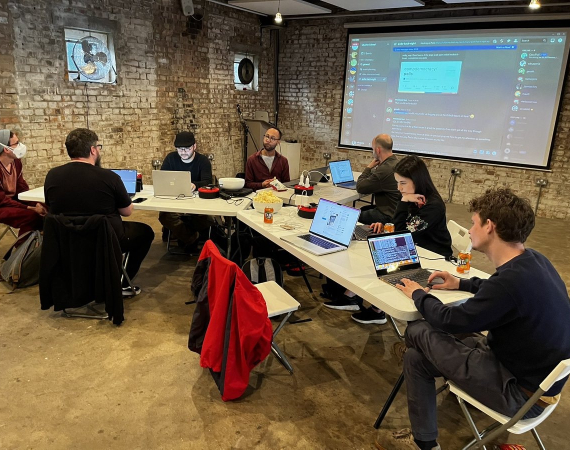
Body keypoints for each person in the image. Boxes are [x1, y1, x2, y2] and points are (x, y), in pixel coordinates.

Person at [376, 188, 570, 450]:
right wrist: (461, 282)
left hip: (519, 395)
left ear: (490, 227)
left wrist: (419, 294)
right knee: (415, 357)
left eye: (474, 222)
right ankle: (426, 443)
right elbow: (498, 289)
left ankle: (425, 437)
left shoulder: (511, 282)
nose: (469, 230)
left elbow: (448, 319)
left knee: (418, 330)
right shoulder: (535, 260)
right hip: (535, 383)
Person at [324, 155, 452, 326]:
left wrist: (404, 201)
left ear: (417, 180)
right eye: (397, 183)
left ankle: (368, 305)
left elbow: (402, 234)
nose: (399, 188)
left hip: (432, 255)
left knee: (381, 259)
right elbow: (401, 228)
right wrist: (386, 224)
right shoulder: (415, 197)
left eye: (403, 183)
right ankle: (357, 299)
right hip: (414, 248)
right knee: (371, 254)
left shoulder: (432, 205)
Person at [44, 128, 155, 296]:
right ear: (93, 150)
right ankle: (122, 283)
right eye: (99, 147)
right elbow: (126, 212)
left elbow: (52, 207)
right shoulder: (109, 177)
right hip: (105, 237)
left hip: (68, 238)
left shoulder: (52, 175)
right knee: (146, 232)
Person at [158, 131, 213, 251]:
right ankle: (191, 238)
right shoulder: (171, 158)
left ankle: (183, 236)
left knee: (207, 220)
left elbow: (208, 182)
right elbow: (162, 178)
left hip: (197, 204)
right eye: (180, 149)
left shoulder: (203, 161)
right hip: (174, 201)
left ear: (194, 146)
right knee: (164, 216)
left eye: (187, 149)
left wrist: (194, 185)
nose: (183, 152)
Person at [0, 129, 46, 236]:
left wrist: (33, 202)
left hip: (13, 201)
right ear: (6, 149)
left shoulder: (16, 162)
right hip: (2, 205)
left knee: (47, 207)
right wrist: (30, 208)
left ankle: (40, 242)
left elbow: (21, 188)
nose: (20, 145)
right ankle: (23, 248)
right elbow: (2, 200)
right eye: (16, 143)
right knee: (32, 216)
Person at [355, 134, 400, 225]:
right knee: (364, 209)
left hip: (388, 216)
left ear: (377, 150)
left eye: (372, 149)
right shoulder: (397, 163)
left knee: (354, 215)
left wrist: (368, 167)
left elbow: (360, 187)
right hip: (397, 212)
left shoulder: (384, 169)